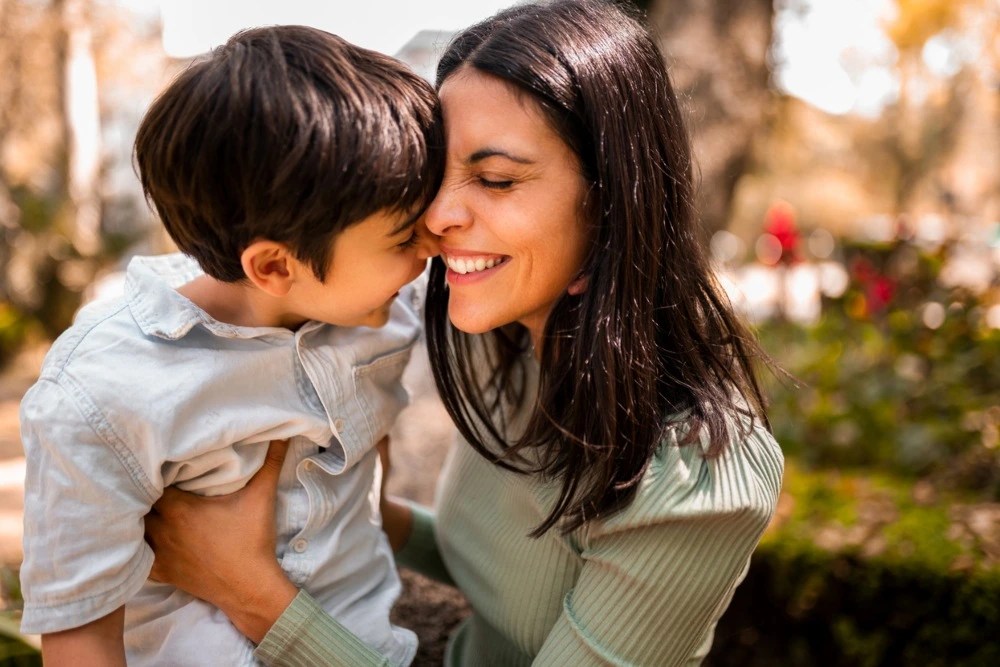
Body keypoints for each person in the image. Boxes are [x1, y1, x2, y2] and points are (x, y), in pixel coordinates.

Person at [145, 1, 785, 665]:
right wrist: (355, 513)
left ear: (610, 201)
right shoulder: (500, 341)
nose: (438, 215)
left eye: (496, 178)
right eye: (435, 174)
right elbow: (505, 571)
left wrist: (252, 591)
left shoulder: (700, 479)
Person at [18, 25, 441, 666]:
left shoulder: (380, 316)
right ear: (274, 267)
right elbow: (81, 633)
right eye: (404, 237)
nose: (431, 247)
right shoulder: (103, 395)